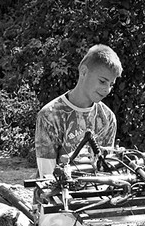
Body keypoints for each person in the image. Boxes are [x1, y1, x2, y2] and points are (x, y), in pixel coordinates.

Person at [35, 44, 122, 178]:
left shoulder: (108, 118)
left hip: (95, 195)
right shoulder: (50, 115)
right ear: (83, 72)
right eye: (102, 81)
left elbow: (105, 168)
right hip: (56, 195)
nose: (107, 90)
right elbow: (47, 175)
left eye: (111, 84)